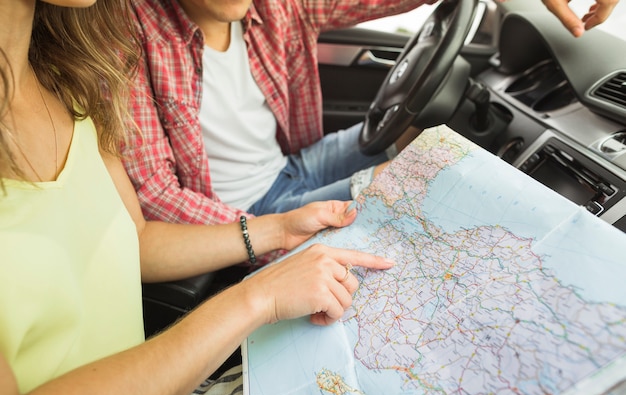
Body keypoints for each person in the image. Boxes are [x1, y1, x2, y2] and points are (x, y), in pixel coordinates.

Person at [0, 1, 395, 395]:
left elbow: (139, 239)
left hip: (170, 389)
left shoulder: (69, 81)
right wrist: (257, 298)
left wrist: (277, 230)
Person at [122, 0, 621, 241]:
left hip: (293, 164)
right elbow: (157, 196)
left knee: (427, 144)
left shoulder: (272, 7)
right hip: (243, 209)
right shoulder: (131, 36)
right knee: (413, 185)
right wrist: (266, 231)